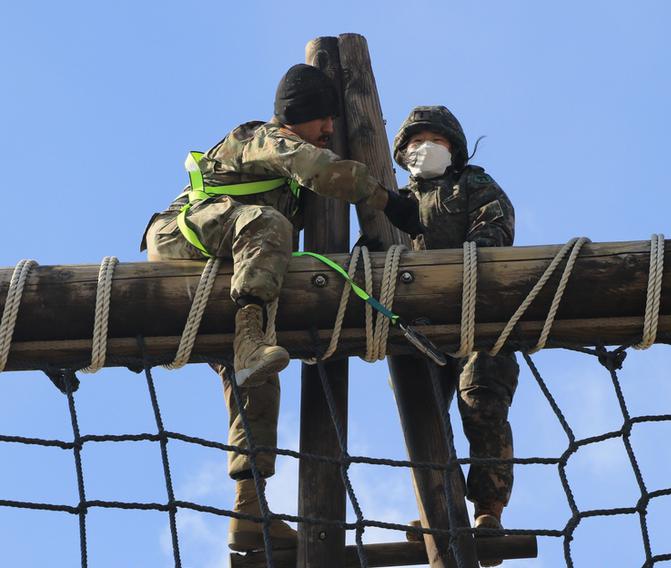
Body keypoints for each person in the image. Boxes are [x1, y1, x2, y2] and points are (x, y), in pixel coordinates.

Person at [140, 64, 421, 552]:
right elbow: (317, 168)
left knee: (258, 376)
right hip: (181, 233)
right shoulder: (262, 138)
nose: (329, 129)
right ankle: (249, 339)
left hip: (232, 258)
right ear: (297, 117)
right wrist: (386, 200)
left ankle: (249, 508)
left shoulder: (295, 180)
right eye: (322, 119)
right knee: (269, 226)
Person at [392, 106, 519, 565]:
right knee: (423, 416)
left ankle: (488, 510)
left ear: (454, 148)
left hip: (480, 319)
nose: (423, 147)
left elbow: (494, 230)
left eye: (434, 139)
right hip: (420, 327)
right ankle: (436, 509)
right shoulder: (393, 202)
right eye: (414, 140)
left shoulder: (474, 186)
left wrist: (459, 269)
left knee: (481, 402)